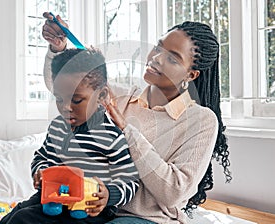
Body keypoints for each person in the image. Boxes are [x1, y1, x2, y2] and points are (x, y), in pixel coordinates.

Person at [42, 12, 231, 224]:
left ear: (191, 75)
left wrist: (127, 131)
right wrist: (58, 49)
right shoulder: (121, 96)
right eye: (159, 48)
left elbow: (174, 193)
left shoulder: (201, 121)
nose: (156, 58)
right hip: (97, 210)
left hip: (147, 219)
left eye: (172, 58)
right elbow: (67, 90)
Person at [0, 48, 139, 224]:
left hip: (87, 208)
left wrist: (108, 194)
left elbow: (130, 180)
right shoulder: (58, 127)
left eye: (77, 100)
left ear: (101, 95)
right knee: (13, 216)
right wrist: (41, 171)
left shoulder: (111, 136)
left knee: (23, 219)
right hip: (55, 197)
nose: (66, 107)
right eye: (59, 99)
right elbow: (42, 156)